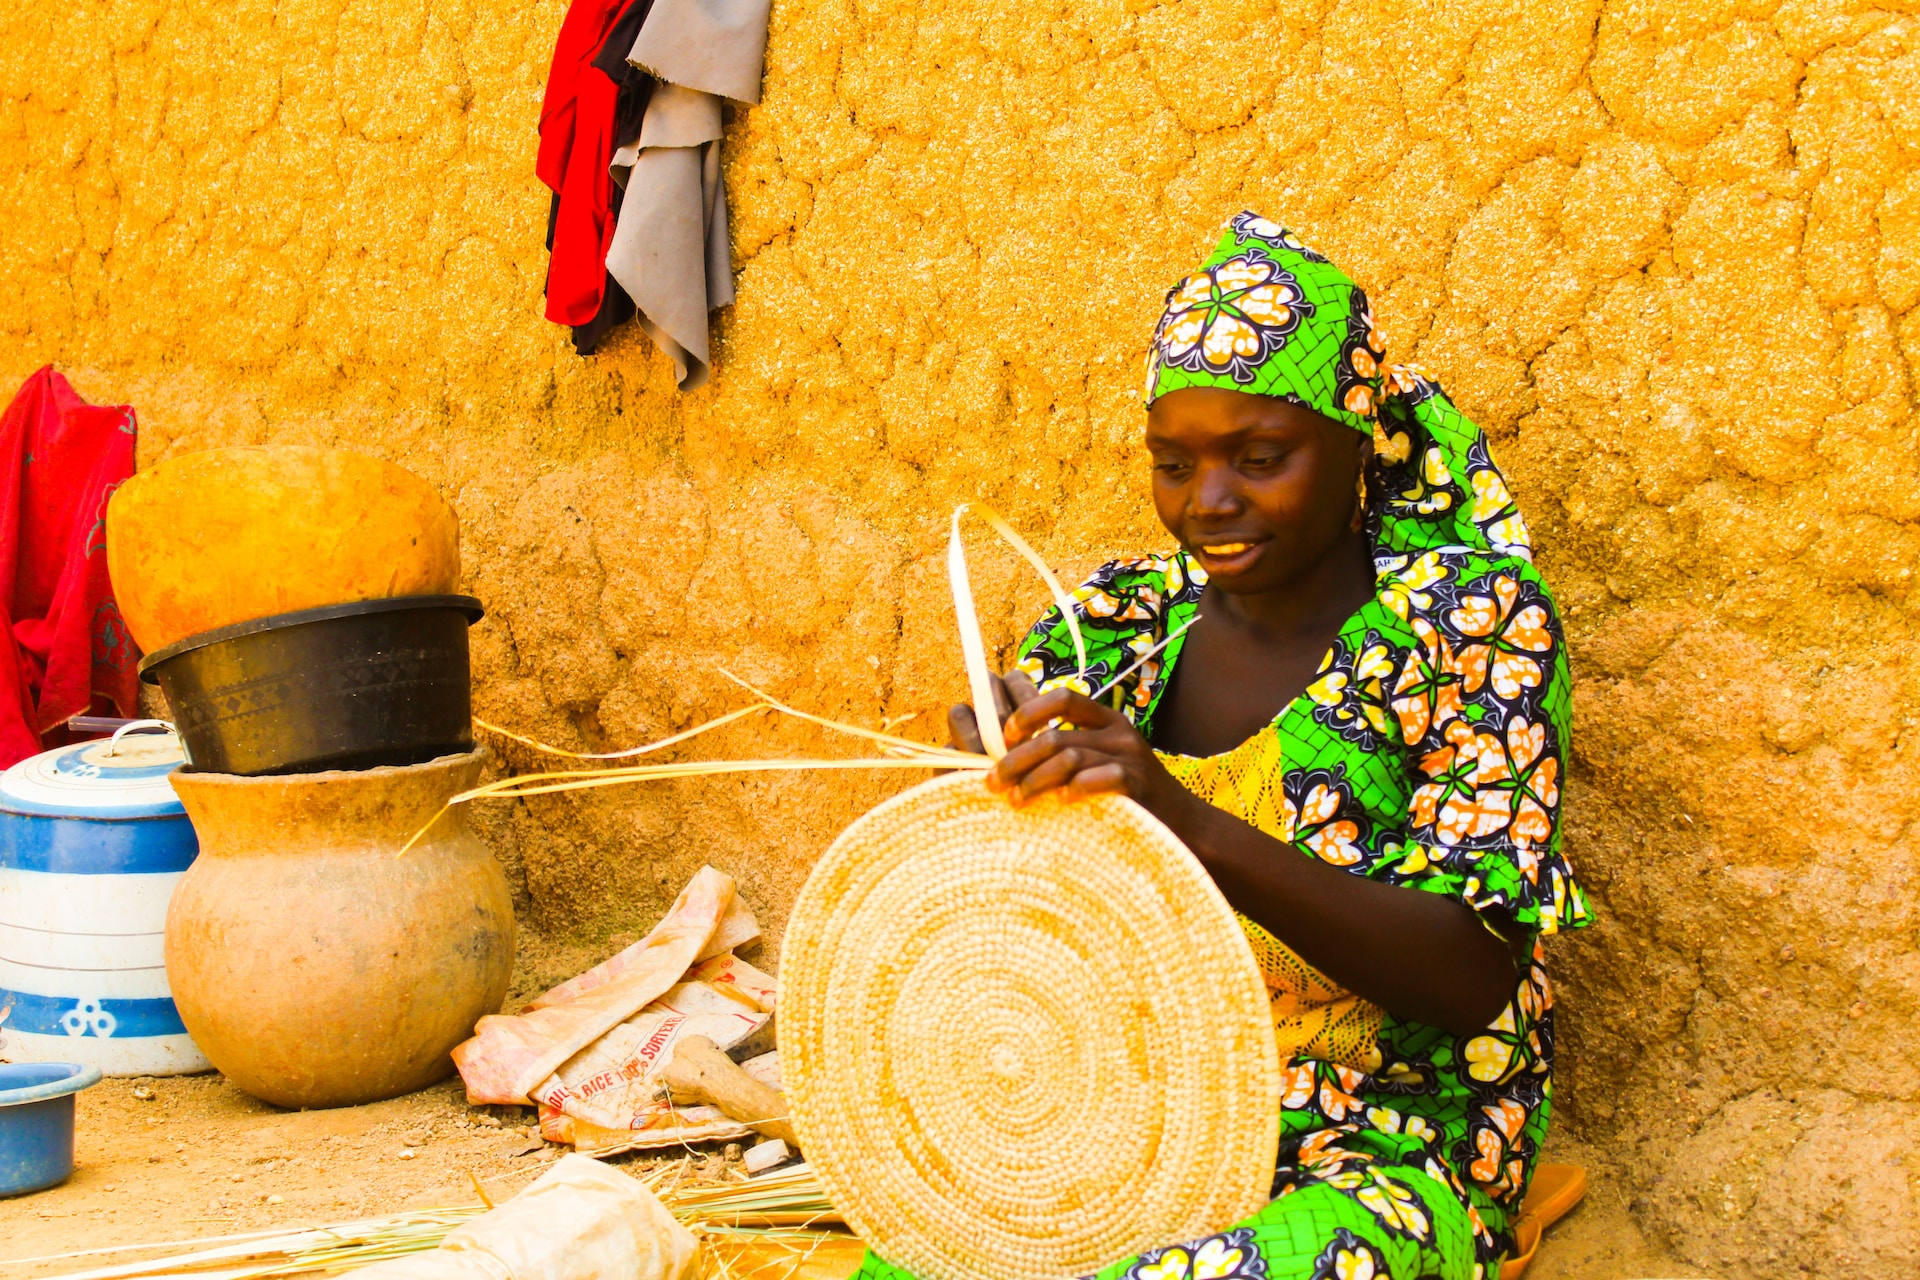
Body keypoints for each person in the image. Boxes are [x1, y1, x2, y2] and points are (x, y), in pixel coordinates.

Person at [858, 214, 1591, 1280]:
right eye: (1173, 462)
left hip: (1386, 1138)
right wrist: (991, 771)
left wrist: (1185, 818)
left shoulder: (1470, 624)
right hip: (1139, 1105)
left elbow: (1471, 977)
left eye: (1260, 457)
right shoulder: (1119, 624)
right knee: (912, 1264)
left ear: (1356, 440)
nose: (1207, 502)